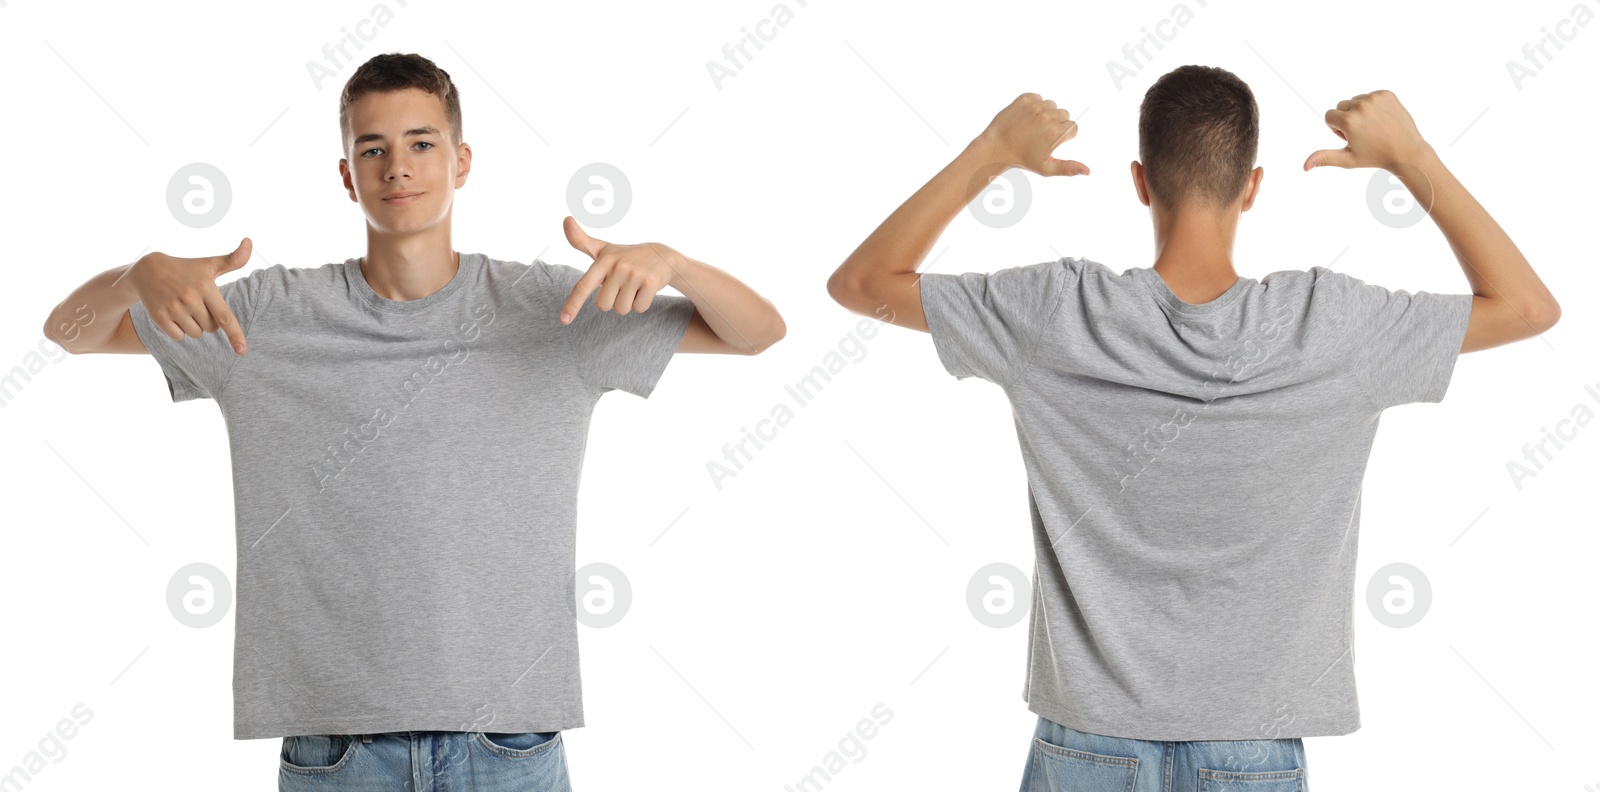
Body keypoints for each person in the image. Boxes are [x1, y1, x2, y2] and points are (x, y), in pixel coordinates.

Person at [41, 52, 784, 791]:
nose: (399, 166)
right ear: (347, 175)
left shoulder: (553, 307)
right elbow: (70, 330)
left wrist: (675, 264)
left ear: (461, 162)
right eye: (374, 148)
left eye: (421, 143)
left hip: (511, 747)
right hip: (336, 752)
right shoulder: (265, 319)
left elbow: (758, 333)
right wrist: (134, 274)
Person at [826, 64, 1558, 791]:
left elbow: (860, 284)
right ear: (1253, 185)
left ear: (1141, 182)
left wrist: (990, 151)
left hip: (1087, 745)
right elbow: (1527, 308)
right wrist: (1411, 157)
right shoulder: (1332, 327)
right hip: (1253, 750)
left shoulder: (1055, 314)